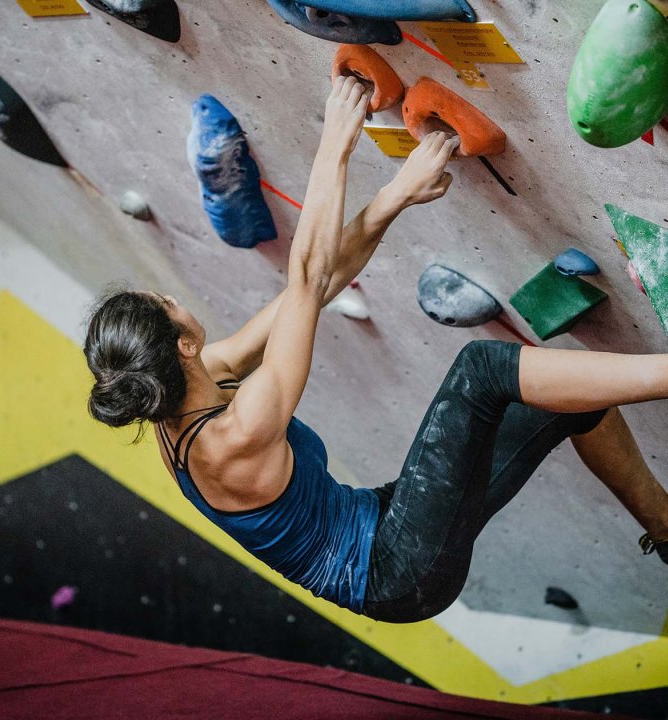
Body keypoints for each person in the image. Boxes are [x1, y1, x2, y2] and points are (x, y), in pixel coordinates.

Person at [84, 76, 668, 623]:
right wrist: (334, 143)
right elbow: (308, 277)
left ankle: (665, 529)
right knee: (482, 370)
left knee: (572, 395)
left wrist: (394, 198)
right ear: (183, 344)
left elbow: (315, 288)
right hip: (398, 571)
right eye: (166, 301)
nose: (173, 297)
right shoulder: (234, 439)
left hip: (388, 520)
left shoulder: (187, 385)